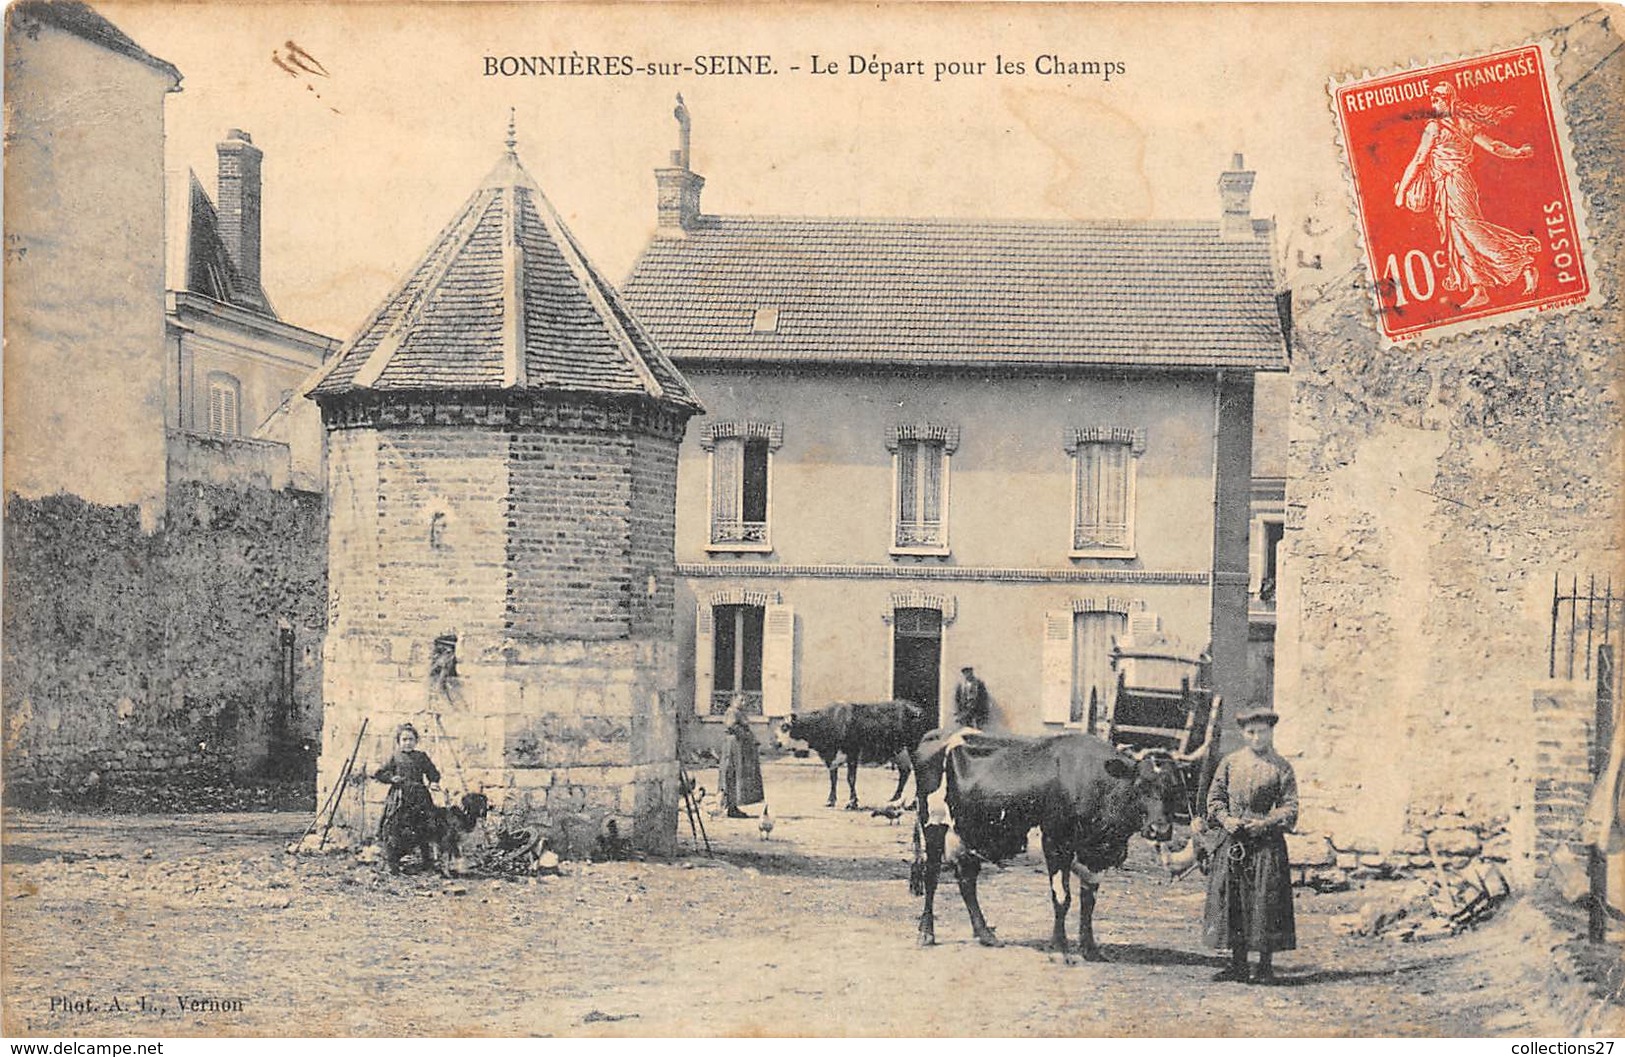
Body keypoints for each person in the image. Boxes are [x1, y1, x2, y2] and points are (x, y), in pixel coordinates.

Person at [1393, 81, 1540, 310]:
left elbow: (1420, 159)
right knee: (1458, 237)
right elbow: (1492, 146)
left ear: (1451, 98)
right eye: (1433, 96)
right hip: (1447, 186)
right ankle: (1479, 289)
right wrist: (1517, 152)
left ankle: (1522, 264)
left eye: (1439, 96)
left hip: (1456, 183)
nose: (1435, 100)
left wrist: (1402, 192)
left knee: (1473, 232)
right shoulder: (1449, 125)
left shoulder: (1439, 127)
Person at [1203, 704, 1298, 984]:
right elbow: (1215, 798)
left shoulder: (1281, 767)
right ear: (1243, 734)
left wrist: (1266, 822)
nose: (1257, 738)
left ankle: (1265, 967)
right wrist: (1225, 818)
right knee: (1233, 900)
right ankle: (1238, 964)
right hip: (1233, 842)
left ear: (1271, 733)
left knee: (1265, 903)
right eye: (1251, 732)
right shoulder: (1230, 763)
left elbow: (1290, 807)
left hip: (1266, 845)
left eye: (1263, 732)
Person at [373, 723, 442, 859]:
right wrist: (392, 778)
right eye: (404, 739)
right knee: (396, 827)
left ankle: (426, 861)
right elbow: (380, 773)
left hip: (419, 796)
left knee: (423, 826)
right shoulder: (395, 757)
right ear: (398, 741)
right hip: (400, 797)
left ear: (416, 741)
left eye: (411, 739)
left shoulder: (421, 757)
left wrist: (433, 782)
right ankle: (394, 859)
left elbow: (432, 772)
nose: (408, 743)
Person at [718, 700, 764, 819]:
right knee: (732, 774)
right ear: (734, 699)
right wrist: (746, 737)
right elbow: (732, 726)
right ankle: (729, 806)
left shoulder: (739, 712)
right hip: (734, 746)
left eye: (745, 700)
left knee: (738, 775)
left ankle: (733, 806)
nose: (743, 703)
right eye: (741, 700)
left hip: (740, 746)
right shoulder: (732, 712)